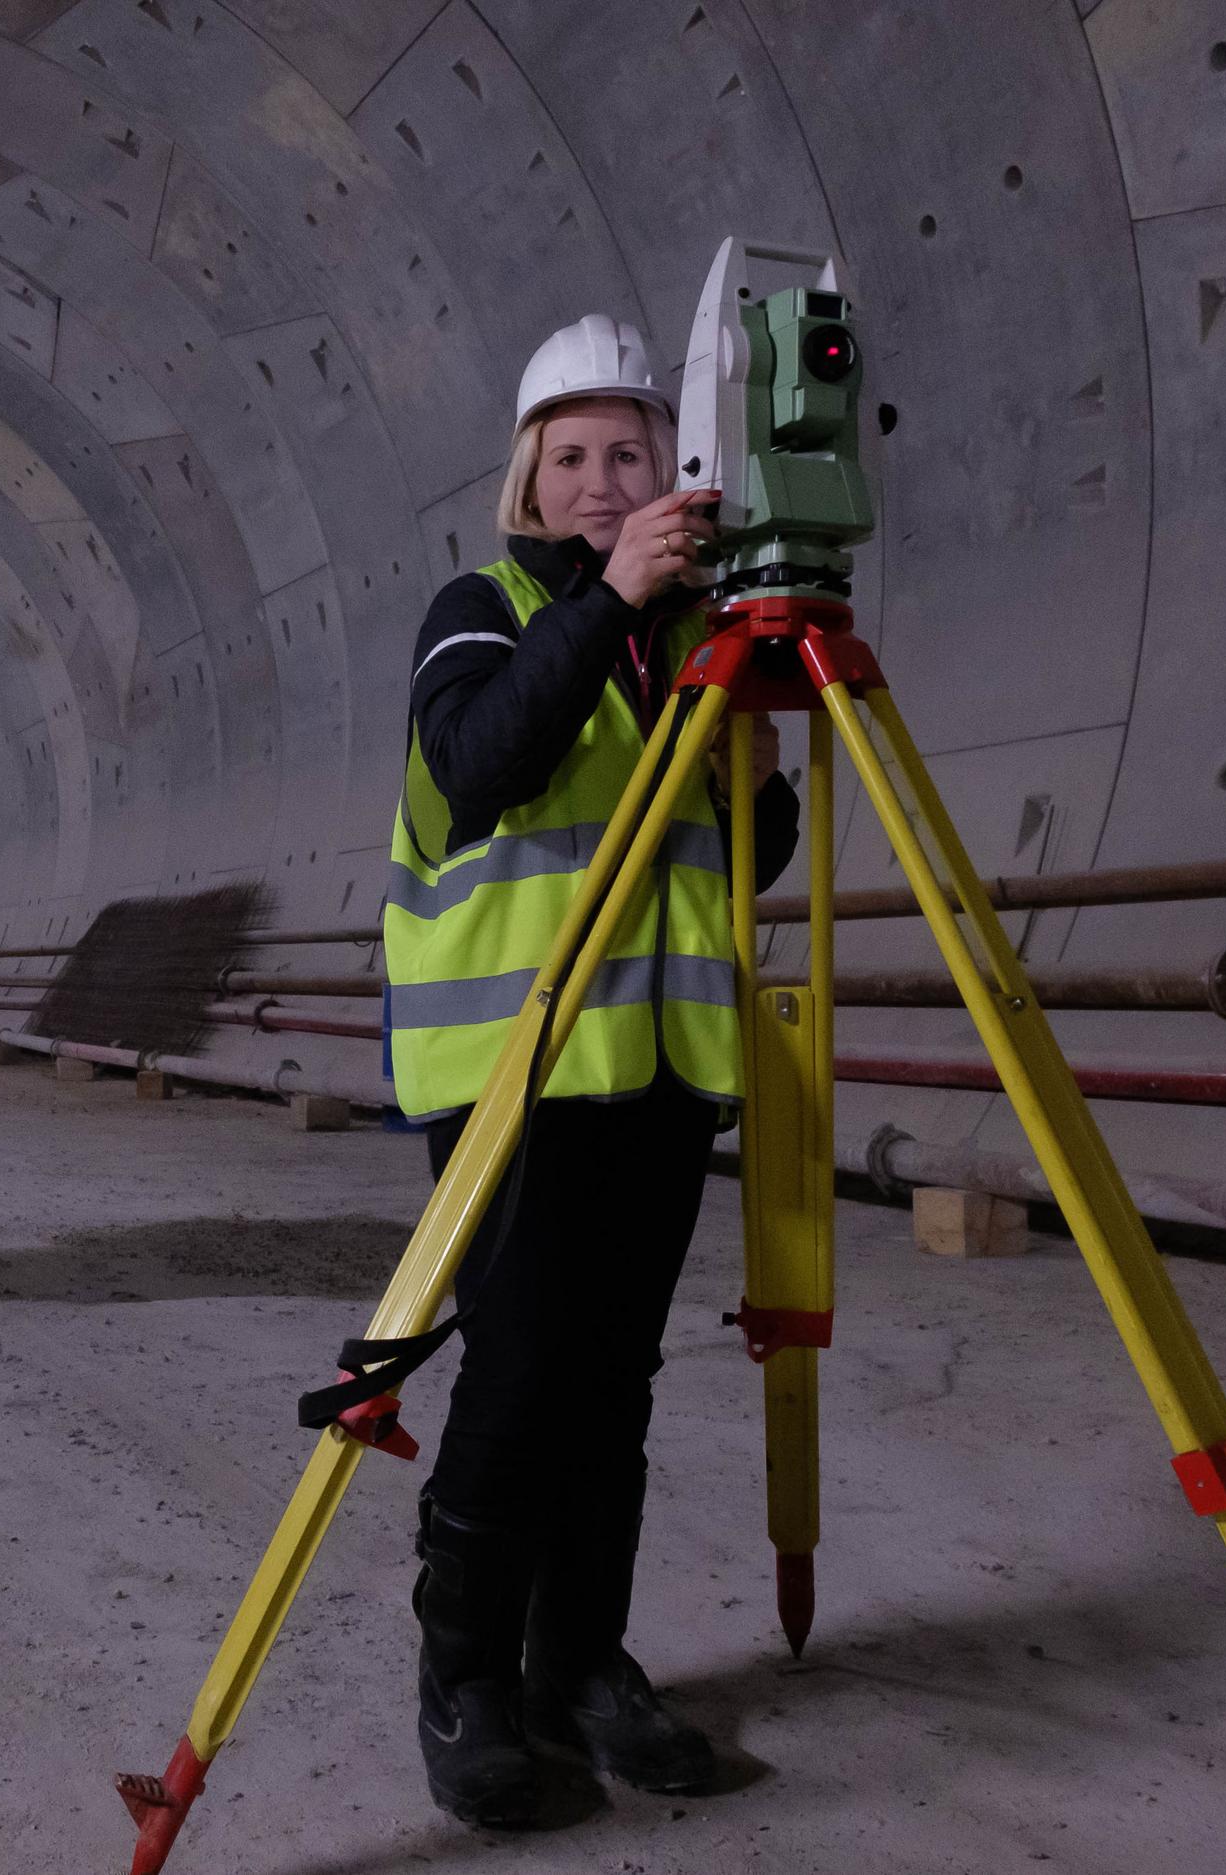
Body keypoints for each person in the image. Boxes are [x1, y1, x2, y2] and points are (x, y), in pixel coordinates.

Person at [382, 314, 801, 1827]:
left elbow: (753, 854)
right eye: (573, 457)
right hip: (514, 1070)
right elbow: (482, 763)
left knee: (613, 1382)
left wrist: (753, 753)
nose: (605, 479)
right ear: (527, 479)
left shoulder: (695, 649)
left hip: (662, 1071)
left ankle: (585, 1660)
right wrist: (609, 604)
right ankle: (470, 1680)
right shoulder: (480, 611)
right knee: (520, 1374)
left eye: (632, 452)